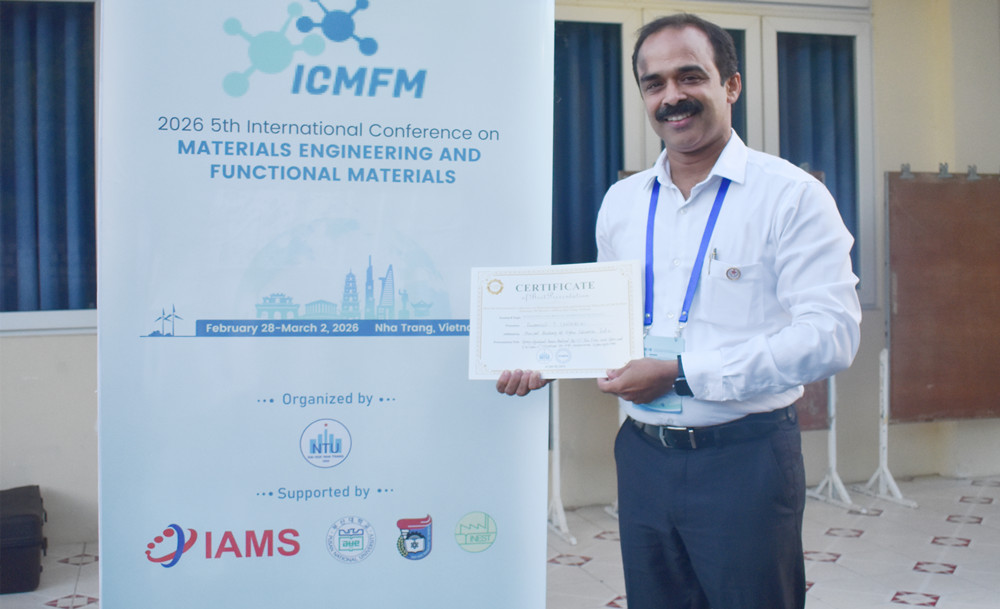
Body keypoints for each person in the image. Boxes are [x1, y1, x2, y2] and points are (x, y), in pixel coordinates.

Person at [498, 13, 862, 609]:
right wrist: (544, 356)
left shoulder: (791, 196)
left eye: (690, 76)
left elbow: (831, 336)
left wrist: (681, 373)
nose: (671, 96)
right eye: (654, 83)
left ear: (731, 85)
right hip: (642, 456)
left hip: (744, 460)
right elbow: (605, 322)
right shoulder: (622, 202)